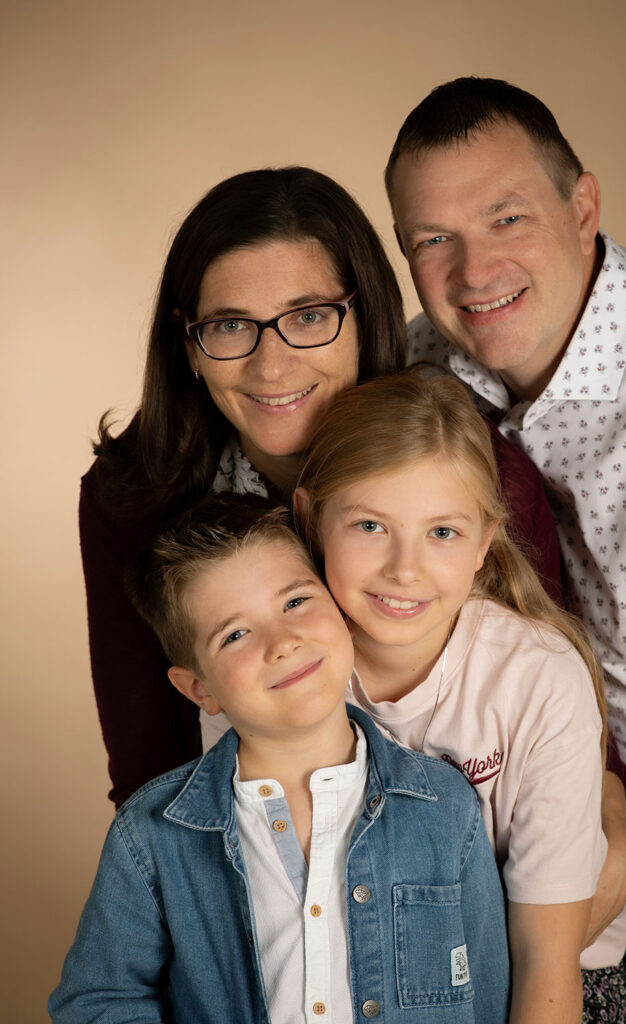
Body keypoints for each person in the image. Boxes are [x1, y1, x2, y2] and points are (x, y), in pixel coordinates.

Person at [81, 165, 564, 808]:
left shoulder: (472, 472)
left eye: (309, 316)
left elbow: (560, 697)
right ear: (189, 344)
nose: (271, 366)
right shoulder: (134, 493)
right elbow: (150, 773)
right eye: (230, 325)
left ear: (367, 315)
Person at [385, 76, 626, 1014]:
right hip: (492, 825)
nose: (473, 272)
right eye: (432, 239)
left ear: (582, 207)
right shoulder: (425, 362)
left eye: (505, 218)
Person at [50, 498, 511, 1024]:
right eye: (235, 635)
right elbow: (99, 1000)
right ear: (200, 688)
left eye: (295, 602)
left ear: (342, 611)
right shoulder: (151, 836)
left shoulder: (444, 808)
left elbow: (489, 995)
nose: (283, 643)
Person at [290, 371, 626, 1023]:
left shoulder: (538, 678)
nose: (404, 568)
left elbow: (546, 959)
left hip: (548, 972)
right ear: (311, 518)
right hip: (367, 972)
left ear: (484, 541)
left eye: (442, 532)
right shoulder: (287, 669)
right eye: (369, 525)